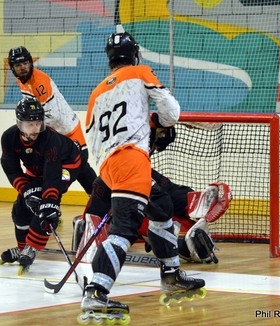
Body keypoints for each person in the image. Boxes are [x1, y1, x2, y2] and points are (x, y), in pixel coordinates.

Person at [79, 31, 204, 321]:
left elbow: (93, 138)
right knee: (124, 230)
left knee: (160, 205)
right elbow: (172, 112)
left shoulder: (96, 92)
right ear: (134, 54)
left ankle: (171, 275)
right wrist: (156, 123)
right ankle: (96, 292)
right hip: (131, 161)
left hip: (109, 164)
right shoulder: (140, 71)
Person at [73, 169, 232, 264]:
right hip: (124, 201)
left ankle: (87, 229)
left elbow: (169, 191)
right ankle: (87, 229)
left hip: (133, 185)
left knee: (164, 205)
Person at [0, 97, 82, 275]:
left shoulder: (49, 139)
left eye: (38, 123)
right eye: (30, 124)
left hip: (68, 165)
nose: (36, 128)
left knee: (45, 208)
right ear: (19, 123)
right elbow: (12, 170)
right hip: (37, 171)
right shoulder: (8, 138)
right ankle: (23, 248)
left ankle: (33, 248)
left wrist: (49, 202)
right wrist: (27, 192)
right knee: (20, 210)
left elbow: (52, 177)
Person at [7, 46, 96, 195]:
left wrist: (29, 128)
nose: (22, 68)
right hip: (51, 135)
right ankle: (44, 209)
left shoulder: (40, 83)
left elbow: (52, 115)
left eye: (25, 63)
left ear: (30, 63)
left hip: (68, 131)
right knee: (43, 174)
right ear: (13, 68)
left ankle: (100, 202)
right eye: (18, 65)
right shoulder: (20, 80)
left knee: (80, 165)